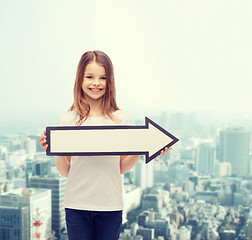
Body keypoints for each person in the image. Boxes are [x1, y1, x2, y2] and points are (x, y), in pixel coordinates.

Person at [39, 50, 171, 240]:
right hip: (76, 205)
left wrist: (143, 148)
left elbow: (121, 167)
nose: (96, 83)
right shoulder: (68, 119)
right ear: (80, 79)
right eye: (90, 77)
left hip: (111, 205)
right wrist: (56, 148)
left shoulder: (121, 118)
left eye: (103, 77)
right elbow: (65, 171)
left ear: (110, 82)